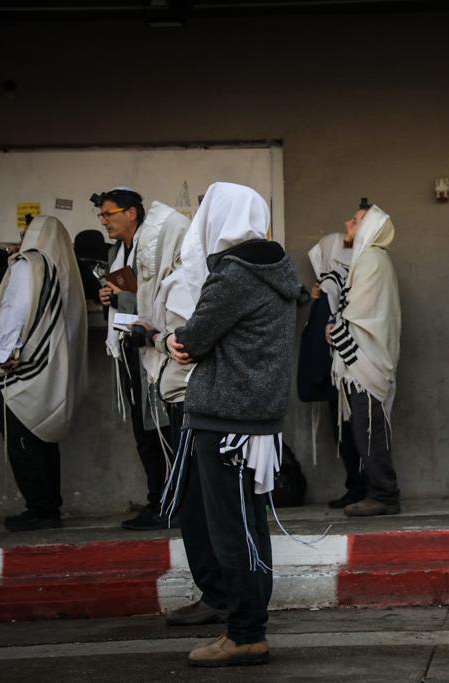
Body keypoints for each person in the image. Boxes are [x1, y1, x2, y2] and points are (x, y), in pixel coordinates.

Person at [167, 182, 299, 667]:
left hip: (223, 419)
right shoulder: (278, 269)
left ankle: (245, 634)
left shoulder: (233, 274)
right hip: (256, 419)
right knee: (249, 528)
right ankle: (249, 629)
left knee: (229, 532)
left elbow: (194, 338)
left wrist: (173, 342)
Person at [124, 203, 229, 628]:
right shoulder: (193, 277)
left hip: (192, 402)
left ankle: (217, 595)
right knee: (198, 500)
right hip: (193, 401)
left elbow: (187, 344)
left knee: (195, 502)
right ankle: (219, 593)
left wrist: (151, 335)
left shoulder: (190, 280)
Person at [0, 216, 87, 531]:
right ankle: (49, 505)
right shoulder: (59, 270)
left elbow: (13, 313)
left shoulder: (27, 265)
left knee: (21, 437)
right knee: (43, 438)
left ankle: (39, 508)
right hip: (49, 368)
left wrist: (5, 356)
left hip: (23, 368)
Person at [96, 187, 172, 530]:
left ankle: (168, 502)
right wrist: (110, 299)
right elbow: (126, 299)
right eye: (102, 215)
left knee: (159, 428)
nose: (104, 221)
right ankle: (157, 499)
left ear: (131, 213)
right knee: (144, 432)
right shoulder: (117, 251)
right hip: (129, 347)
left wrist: (123, 297)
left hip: (153, 348)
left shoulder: (150, 247)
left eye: (109, 214)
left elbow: (151, 296)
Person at [327, 202, 402, 517]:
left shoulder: (371, 259)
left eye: (357, 220)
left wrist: (336, 329)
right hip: (362, 359)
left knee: (369, 429)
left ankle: (384, 494)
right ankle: (378, 492)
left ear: (370, 228)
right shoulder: (369, 259)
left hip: (366, 361)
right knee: (364, 428)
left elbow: (359, 311)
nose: (349, 222)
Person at [299, 216, 365, 510]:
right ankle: (360, 487)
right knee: (350, 431)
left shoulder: (339, 282)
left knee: (352, 432)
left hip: (344, 371)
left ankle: (360, 488)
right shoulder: (337, 284)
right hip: (346, 370)